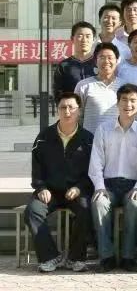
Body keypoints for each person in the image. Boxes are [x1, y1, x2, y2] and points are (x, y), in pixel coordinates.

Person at [26, 92, 94, 273]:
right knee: (33, 211)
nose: (67, 111)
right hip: (50, 191)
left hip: (76, 191)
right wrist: (41, 187)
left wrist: (79, 188)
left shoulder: (88, 139)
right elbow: (37, 167)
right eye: (63, 107)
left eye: (72, 107)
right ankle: (50, 257)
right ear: (57, 110)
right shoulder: (44, 137)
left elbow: (93, 171)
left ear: (79, 111)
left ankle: (75, 257)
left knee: (86, 209)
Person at [89, 84, 137, 272]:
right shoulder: (103, 129)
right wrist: (99, 187)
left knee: (135, 204)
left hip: (133, 185)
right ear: (117, 103)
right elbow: (96, 162)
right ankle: (106, 256)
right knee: (99, 203)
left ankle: (129, 256)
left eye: (133, 101)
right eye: (124, 100)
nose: (128, 104)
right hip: (108, 185)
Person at [75, 43, 123, 133]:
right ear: (95, 61)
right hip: (91, 139)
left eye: (110, 58)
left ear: (117, 61)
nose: (106, 61)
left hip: (118, 138)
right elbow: (77, 116)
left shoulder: (125, 85)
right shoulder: (83, 86)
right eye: (102, 57)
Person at [54, 21, 97, 99]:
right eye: (80, 36)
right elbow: (58, 93)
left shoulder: (99, 63)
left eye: (88, 36)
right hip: (72, 106)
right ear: (72, 38)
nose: (84, 40)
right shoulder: (64, 66)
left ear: (93, 39)